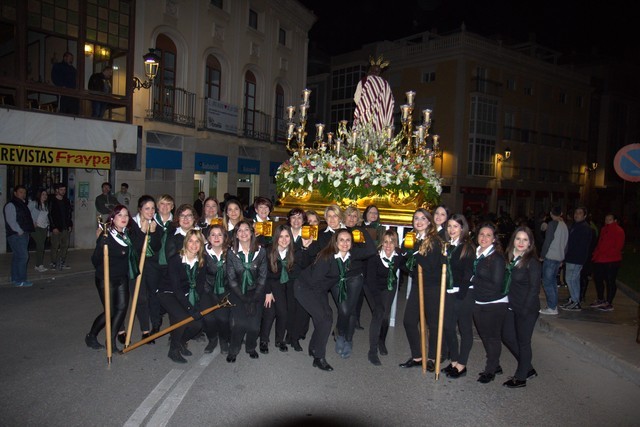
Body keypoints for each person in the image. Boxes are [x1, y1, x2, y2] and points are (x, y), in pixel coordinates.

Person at [295, 229, 355, 372]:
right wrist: (321, 305)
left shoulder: (347, 258)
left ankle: (313, 347)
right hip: (304, 287)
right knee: (325, 319)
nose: (345, 243)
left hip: (319, 288)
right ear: (335, 241)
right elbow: (314, 282)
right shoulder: (327, 257)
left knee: (327, 316)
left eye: (348, 240)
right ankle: (319, 358)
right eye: (341, 240)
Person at [85, 205, 136, 351]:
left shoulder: (127, 234)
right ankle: (91, 336)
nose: (124, 218)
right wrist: (101, 246)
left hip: (122, 278)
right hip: (105, 278)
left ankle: (111, 341)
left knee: (122, 309)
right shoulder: (106, 235)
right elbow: (95, 261)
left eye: (126, 215)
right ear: (112, 218)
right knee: (111, 311)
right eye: (120, 215)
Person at [400, 212, 446, 372]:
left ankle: (433, 357)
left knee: (432, 324)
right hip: (417, 285)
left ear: (429, 222)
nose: (419, 221)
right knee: (409, 321)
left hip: (432, 286)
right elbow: (407, 265)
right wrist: (403, 255)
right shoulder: (411, 238)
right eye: (416, 218)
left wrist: (414, 254)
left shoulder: (434, 240)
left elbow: (430, 265)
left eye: (423, 218)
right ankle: (418, 356)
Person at [157, 229, 207, 363]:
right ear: (185, 243)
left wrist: (196, 305)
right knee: (181, 317)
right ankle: (173, 350)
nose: (194, 244)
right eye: (191, 241)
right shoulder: (176, 260)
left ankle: (180, 342)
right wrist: (190, 308)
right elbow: (176, 288)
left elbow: (200, 286)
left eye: (198, 241)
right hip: (167, 292)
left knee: (197, 324)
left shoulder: (202, 261)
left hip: (186, 293)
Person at [334, 206, 376, 359]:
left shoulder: (359, 232)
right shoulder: (338, 231)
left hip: (355, 276)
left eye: (355, 216)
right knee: (344, 309)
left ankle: (347, 339)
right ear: (343, 217)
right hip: (338, 275)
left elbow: (371, 250)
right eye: (349, 215)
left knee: (350, 310)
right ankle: (340, 333)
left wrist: (353, 253)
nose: (351, 218)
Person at [501, 226, 541, 388]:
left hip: (527, 308)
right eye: (518, 239)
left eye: (525, 239)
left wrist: (524, 310)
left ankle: (521, 377)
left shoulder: (532, 262)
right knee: (507, 336)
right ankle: (528, 368)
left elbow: (534, 289)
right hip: (511, 306)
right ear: (513, 241)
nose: (521, 242)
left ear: (530, 243)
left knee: (523, 342)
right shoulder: (509, 258)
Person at [225, 220, 268, 362]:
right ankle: (233, 350)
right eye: (239, 230)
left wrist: (254, 298)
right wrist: (244, 298)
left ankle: (250, 347)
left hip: (256, 291)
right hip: (238, 292)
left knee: (254, 326)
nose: (243, 233)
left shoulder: (260, 251)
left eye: (246, 230)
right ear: (236, 235)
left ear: (252, 233)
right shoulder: (231, 253)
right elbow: (231, 278)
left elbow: (262, 276)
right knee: (239, 324)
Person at [123, 195, 163, 344]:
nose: (151, 211)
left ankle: (154, 326)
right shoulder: (131, 224)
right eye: (147, 208)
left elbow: (157, 246)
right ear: (140, 209)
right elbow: (136, 246)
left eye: (153, 208)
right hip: (135, 266)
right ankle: (145, 330)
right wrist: (142, 231)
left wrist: (152, 232)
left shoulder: (155, 224)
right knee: (140, 298)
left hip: (151, 266)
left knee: (152, 295)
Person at [472, 222, 507, 384]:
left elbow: (497, 284)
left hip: (494, 303)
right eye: (481, 234)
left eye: (488, 235)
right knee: (484, 335)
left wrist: (474, 281)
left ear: (494, 239)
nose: (484, 237)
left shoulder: (496, 258)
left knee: (492, 337)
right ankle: (496, 364)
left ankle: (490, 369)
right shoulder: (477, 253)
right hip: (479, 301)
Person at [441, 214, 476, 379]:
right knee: (448, 327)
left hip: (463, 293)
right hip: (449, 291)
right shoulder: (448, 246)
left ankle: (462, 364)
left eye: (455, 226)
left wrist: (460, 296)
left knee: (464, 329)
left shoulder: (466, 247)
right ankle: (454, 360)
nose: (452, 229)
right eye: (449, 226)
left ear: (462, 228)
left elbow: (468, 273)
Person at [365, 229, 405, 365]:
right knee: (378, 313)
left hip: (389, 286)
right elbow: (370, 281)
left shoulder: (398, 256)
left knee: (385, 316)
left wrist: (409, 256)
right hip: (372, 287)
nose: (388, 245)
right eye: (385, 242)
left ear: (396, 244)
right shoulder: (374, 258)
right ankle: (372, 351)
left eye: (392, 242)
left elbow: (409, 268)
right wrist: (378, 302)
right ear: (381, 243)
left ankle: (382, 341)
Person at [259, 224, 297, 354]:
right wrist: (268, 292)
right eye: (281, 236)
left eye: (287, 236)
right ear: (276, 238)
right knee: (269, 312)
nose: (284, 239)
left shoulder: (292, 252)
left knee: (283, 313)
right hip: (268, 285)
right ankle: (263, 340)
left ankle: (279, 340)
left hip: (283, 286)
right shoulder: (268, 251)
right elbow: (263, 275)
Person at [203, 224, 231, 354]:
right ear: (208, 238)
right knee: (209, 318)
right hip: (207, 289)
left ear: (224, 237)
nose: (216, 237)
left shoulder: (231, 253)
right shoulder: (202, 253)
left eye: (219, 234)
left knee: (223, 318)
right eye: (213, 234)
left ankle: (224, 340)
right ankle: (212, 340)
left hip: (225, 290)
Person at [590, 213, 625, 312]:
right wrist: (596, 254)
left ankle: (609, 302)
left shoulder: (618, 231)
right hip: (600, 259)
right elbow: (600, 243)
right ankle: (601, 299)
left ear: (615, 220)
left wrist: (605, 253)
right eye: (606, 219)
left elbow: (618, 246)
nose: (607, 221)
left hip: (611, 260)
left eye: (609, 219)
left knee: (610, 281)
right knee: (598, 279)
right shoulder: (604, 229)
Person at [560, 207, 592, 311]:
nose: (577, 215)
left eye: (579, 213)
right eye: (576, 213)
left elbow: (581, 246)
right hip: (571, 258)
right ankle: (574, 299)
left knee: (571, 279)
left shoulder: (584, 228)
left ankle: (575, 301)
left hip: (576, 259)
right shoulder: (576, 226)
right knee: (573, 279)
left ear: (584, 215)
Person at [353, 55, 394, 133]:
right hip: (381, 118)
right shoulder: (385, 83)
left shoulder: (364, 80)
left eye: (376, 71)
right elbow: (390, 101)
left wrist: (364, 107)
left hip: (365, 115)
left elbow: (356, 98)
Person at [3, 185, 35, 287]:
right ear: (15, 193)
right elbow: (11, 220)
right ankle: (21, 280)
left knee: (17, 257)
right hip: (16, 235)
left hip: (23, 233)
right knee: (23, 257)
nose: (23, 194)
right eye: (21, 192)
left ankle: (15, 278)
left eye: (24, 192)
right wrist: (19, 230)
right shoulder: (11, 204)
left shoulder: (22, 204)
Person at [539, 206, 568, 315]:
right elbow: (566, 244)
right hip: (559, 257)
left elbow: (548, 241)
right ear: (560, 213)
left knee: (547, 282)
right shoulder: (564, 225)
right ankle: (553, 305)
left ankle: (552, 307)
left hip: (551, 256)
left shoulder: (552, 224)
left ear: (551, 213)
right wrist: (563, 258)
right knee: (553, 282)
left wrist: (542, 255)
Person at [49, 183, 73, 271]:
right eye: (61, 190)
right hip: (57, 227)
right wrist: (53, 227)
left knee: (65, 245)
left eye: (64, 190)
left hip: (65, 227)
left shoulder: (66, 201)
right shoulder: (52, 201)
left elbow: (69, 214)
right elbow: (50, 215)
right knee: (55, 245)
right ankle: (54, 262)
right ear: (57, 190)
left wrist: (70, 224)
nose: (63, 191)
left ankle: (62, 261)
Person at [29, 189, 50, 273]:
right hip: (35, 227)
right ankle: (39, 265)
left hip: (44, 227)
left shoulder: (45, 205)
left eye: (46, 194)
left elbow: (45, 216)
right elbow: (26, 213)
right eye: (43, 194)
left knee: (41, 246)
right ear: (39, 195)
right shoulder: (33, 203)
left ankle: (38, 265)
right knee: (40, 245)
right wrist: (32, 222)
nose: (45, 196)